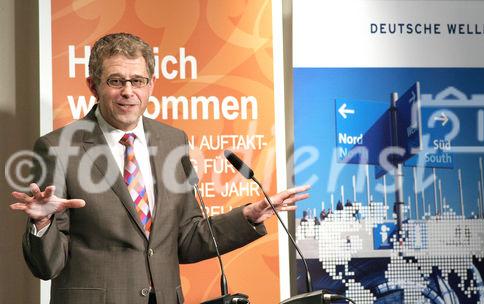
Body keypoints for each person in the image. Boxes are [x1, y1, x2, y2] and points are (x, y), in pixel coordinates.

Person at [9, 33, 310, 304]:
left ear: (151, 85)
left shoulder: (171, 141)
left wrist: (247, 216)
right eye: (116, 81)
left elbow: (188, 239)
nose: (128, 91)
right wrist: (43, 224)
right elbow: (47, 266)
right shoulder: (58, 147)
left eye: (137, 81)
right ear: (93, 86)